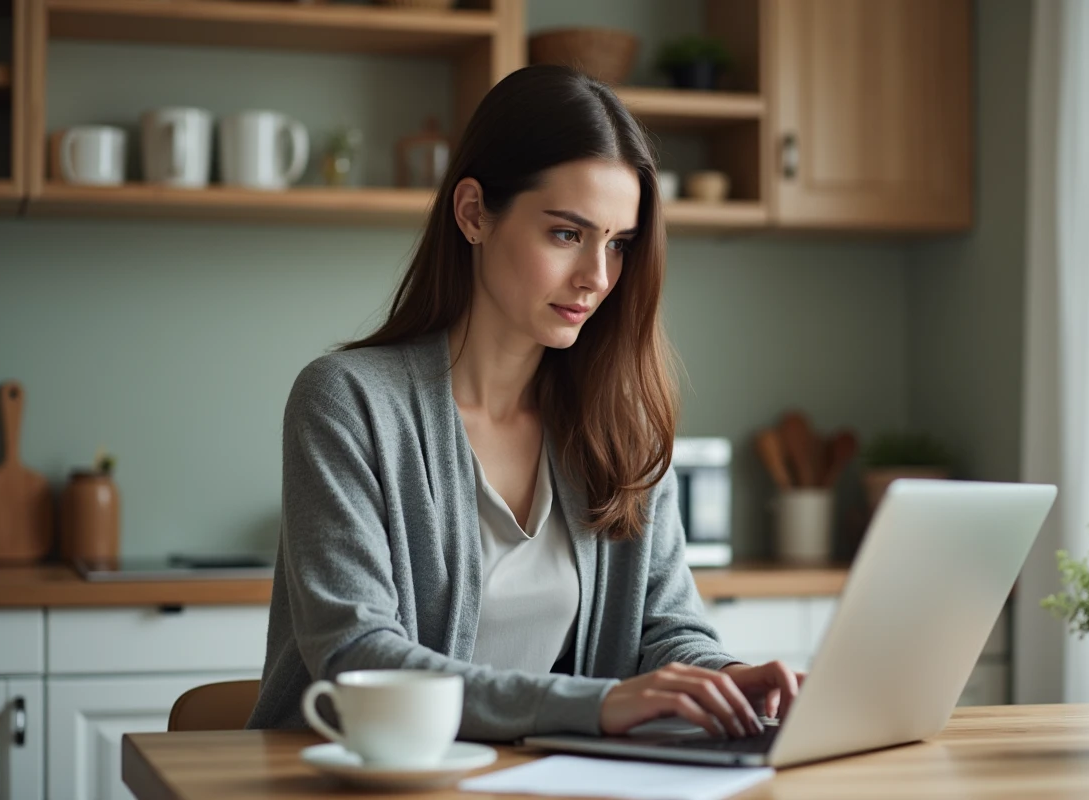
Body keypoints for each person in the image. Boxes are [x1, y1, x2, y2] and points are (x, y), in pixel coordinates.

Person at [247, 64, 803, 741]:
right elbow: (357, 655)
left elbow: (666, 630)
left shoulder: (617, 424)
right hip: (355, 776)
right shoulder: (348, 402)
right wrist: (594, 705)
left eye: (618, 244)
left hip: (530, 779)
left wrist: (725, 679)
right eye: (567, 234)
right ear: (473, 213)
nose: (597, 277)